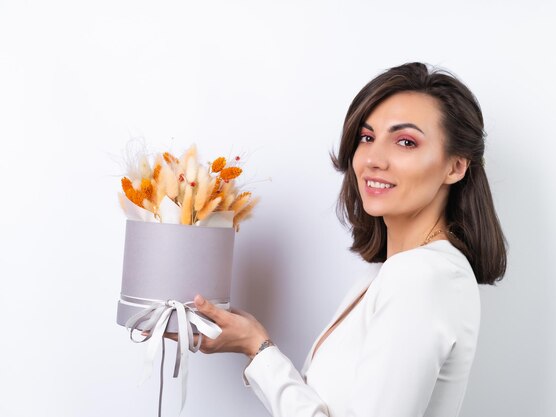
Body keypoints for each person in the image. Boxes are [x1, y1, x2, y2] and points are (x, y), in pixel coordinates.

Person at [170, 62, 507, 417]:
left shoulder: (420, 277)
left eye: (405, 142)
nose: (374, 159)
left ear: (455, 166)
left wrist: (256, 347)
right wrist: (254, 345)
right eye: (366, 137)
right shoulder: (386, 274)